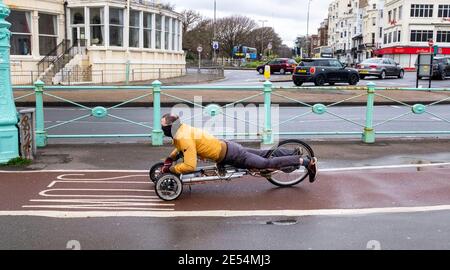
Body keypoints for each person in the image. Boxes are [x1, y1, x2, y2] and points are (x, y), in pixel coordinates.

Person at [160, 114, 318, 183]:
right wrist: (171, 158)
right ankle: (292, 153)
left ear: (171, 127)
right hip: (229, 147)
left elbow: (189, 165)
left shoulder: (183, 136)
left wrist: (172, 170)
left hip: (232, 155)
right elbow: (183, 148)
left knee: (263, 164)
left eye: (163, 127)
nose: (162, 129)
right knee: (265, 154)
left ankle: (304, 161)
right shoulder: (183, 129)